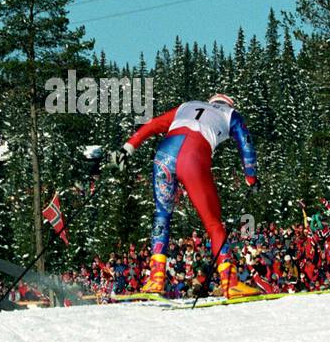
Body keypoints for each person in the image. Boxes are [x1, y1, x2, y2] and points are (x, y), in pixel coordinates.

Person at [111, 93, 260, 298]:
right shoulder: (231, 114)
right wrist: (251, 177)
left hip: (164, 154)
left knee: (162, 213)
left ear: (210, 101)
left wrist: (128, 147)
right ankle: (229, 282)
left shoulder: (187, 105)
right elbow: (246, 144)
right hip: (193, 157)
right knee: (213, 223)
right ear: (228, 104)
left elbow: (154, 124)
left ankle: (155, 278)